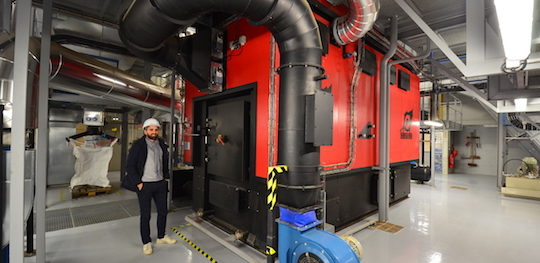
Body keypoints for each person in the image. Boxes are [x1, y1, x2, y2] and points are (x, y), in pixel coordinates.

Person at [122, 118, 177, 255]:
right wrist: (138, 183)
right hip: (145, 185)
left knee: (163, 211)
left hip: (160, 183)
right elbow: (130, 166)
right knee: (145, 215)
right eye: (151, 129)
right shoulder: (138, 145)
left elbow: (164, 162)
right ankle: (146, 242)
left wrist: (166, 177)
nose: (154, 132)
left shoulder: (162, 144)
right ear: (145, 130)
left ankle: (161, 237)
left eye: (156, 129)